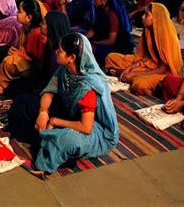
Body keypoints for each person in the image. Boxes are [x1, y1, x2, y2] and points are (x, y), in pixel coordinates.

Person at [8, 33, 119, 175]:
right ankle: (43, 136)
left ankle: (47, 140)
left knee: (63, 140)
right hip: (71, 114)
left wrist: (54, 121)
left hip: (94, 129)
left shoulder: (89, 86)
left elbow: (86, 127)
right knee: (23, 101)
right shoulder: (65, 70)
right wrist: (43, 112)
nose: (56, 52)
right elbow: (49, 92)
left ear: (71, 58)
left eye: (60, 51)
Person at [105, 3, 183, 96]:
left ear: (156, 18)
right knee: (111, 57)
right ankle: (124, 74)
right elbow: (142, 57)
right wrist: (130, 68)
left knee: (139, 84)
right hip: (147, 65)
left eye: (147, 14)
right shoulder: (148, 30)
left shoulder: (166, 36)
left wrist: (135, 73)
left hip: (163, 72)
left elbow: (163, 68)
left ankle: (123, 75)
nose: (142, 17)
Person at [0, 0, 47, 95]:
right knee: (0, 52)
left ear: (28, 17)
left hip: (34, 70)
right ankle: (3, 85)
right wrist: (15, 51)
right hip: (26, 62)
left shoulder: (37, 34)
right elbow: (20, 48)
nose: (17, 13)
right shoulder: (24, 28)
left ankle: (5, 87)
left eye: (20, 11)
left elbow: (40, 65)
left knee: (8, 63)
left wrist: (22, 55)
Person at [90, 0, 134, 65]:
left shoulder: (112, 14)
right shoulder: (100, 10)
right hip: (103, 41)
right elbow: (94, 29)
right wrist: (83, 38)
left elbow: (111, 40)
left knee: (91, 51)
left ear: (105, 0)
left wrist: (95, 43)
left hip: (116, 47)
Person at [41, 11, 71, 85]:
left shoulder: (60, 54)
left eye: (44, 23)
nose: (40, 24)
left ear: (52, 28)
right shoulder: (50, 44)